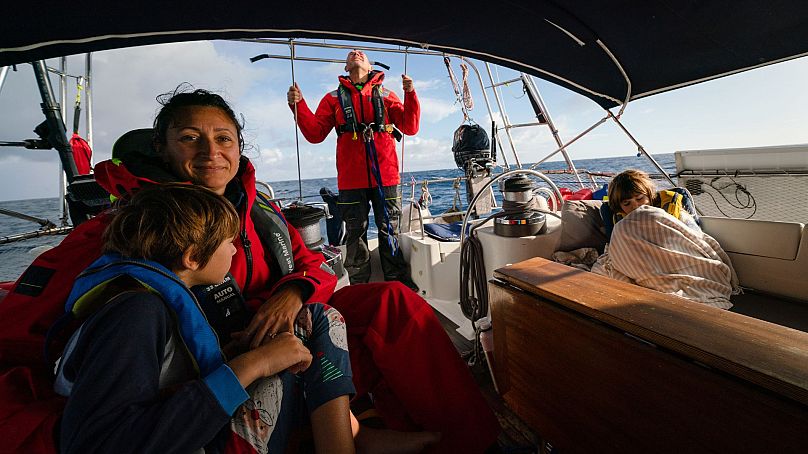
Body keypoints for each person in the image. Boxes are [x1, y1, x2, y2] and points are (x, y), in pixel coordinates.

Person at [0, 87, 499, 454]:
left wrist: (294, 293)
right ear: (162, 149)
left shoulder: (259, 208)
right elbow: (27, 335)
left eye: (223, 138)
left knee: (389, 300)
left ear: (239, 147)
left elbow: (312, 265)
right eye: (189, 138)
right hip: (198, 370)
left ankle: (467, 441)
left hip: (278, 334)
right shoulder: (128, 229)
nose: (210, 151)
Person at [55, 184, 355, 453]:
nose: (235, 251)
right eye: (228, 242)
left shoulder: (149, 300)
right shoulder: (135, 314)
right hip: (204, 442)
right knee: (321, 318)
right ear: (193, 258)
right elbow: (96, 443)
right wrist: (254, 364)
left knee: (307, 320)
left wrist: (232, 356)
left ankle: (350, 436)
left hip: (195, 428)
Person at [287, 49, 419, 289]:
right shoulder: (332, 98)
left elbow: (409, 127)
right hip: (351, 179)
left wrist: (410, 94)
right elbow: (315, 133)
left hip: (386, 176)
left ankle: (396, 282)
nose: (356, 53)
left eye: (361, 53)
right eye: (351, 54)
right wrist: (298, 105)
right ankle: (358, 284)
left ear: (370, 66)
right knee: (355, 232)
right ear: (346, 68)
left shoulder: (388, 94)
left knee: (389, 227)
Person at [593, 169, 739, 308]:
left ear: (650, 195)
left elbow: (695, 239)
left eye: (640, 199)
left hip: (680, 265)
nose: (636, 206)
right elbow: (618, 251)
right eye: (627, 203)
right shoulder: (620, 223)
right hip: (645, 266)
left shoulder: (672, 210)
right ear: (619, 206)